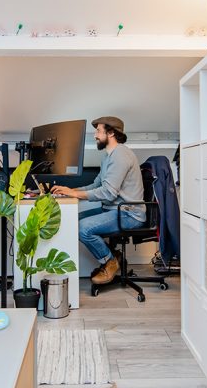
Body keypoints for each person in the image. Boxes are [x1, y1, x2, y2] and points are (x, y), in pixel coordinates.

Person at [51, 116, 145, 285]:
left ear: (111, 133)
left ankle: (110, 261)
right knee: (74, 220)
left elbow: (108, 193)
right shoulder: (108, 156)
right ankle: (113, 256)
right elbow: (96, 185)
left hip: (129, 214)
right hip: (113, 209)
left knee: (82, 228)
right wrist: (70, 191)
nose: (95, 135)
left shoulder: (121, 155)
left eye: (98, 131)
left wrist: (75, 195)